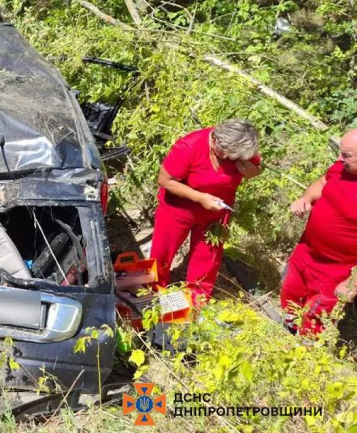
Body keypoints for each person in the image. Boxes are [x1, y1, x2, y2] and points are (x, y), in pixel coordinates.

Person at [149, 119, 262, 302]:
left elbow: (257, 169)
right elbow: (165, 181)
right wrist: (201, 198)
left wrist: (250, 171)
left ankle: (196, 300)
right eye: (228, 155)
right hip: (178, 209)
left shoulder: (241, 146)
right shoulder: (190, 146)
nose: (230, 160)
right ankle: (151, 293)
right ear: (218, 142)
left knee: (207, 256)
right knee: (162, 253)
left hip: (215, 212)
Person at [280, 129, 357, 334]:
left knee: (316, 317)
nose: (339, 159)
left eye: (346, 155)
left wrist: (353, 282)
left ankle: (303, 353)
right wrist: (306, 199)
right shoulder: (341, 169)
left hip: (336, 270)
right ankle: (285, 331)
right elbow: (323, 183)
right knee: (289, 293)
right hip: (306, 251)